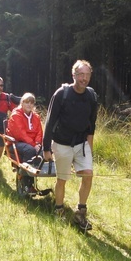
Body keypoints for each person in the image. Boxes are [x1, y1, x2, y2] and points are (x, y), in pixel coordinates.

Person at [43, 60, 98, 232]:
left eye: (87, 75)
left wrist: (90, 148)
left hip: (82, 144)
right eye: (81, 74)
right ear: (73, 75)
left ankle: (80, 212)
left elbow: (92, 125)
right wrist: (46, 148)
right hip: (62, 143)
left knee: (88, 175)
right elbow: (50, 121)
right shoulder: (62, 94)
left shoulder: (91, 96)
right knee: (62, 179)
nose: (84, 78)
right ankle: (59, 209)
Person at [7, 93, 44, 192]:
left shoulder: (35, 117)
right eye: (27, 102)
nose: (29, 105)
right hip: (16, 143)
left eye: (31, 103)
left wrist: (38, 144)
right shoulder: (16, 115)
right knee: (30, 150)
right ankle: (26, 181)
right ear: (22, 103)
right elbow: (20, 133)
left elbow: (39, 132)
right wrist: (33, 145)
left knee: (45, 150)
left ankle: (34, 175)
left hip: (32, 144)